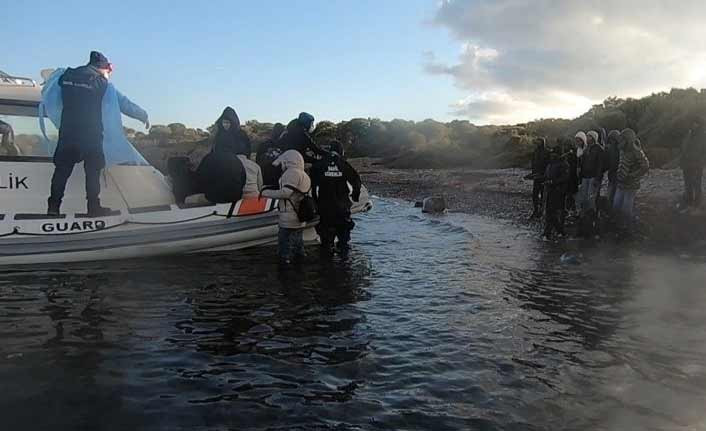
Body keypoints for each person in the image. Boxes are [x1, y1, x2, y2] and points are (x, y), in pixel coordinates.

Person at [47, 51, 149, 216]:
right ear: (103, 68)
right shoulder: (103, 84)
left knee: (61, 171)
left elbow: (50, 91)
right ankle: (93, 207)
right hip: (91, 135)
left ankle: (53, 207)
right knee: (93, 173)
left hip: (68, 133)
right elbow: (124, 103)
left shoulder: (65, 76)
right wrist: (143, 115)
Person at [260, 150, 312, 265]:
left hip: (289, 216)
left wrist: (265, 193)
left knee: (284, 247)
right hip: (300, 215)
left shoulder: (291, 173)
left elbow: (285, 193)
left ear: (288, 161)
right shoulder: (304, 175)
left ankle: (285, 270)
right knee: (298, 245)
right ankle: (300, 268)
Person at [311, 140, 362, 255]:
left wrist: (316, 203)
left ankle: (326, 268)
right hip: (342, 208)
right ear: (341, 151)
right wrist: (355, 196)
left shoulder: (319, 164)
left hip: (325, 209)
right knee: (344, 242)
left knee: (326, 244)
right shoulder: (343, 163)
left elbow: (313, 187)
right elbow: (356, 181)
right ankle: (344, 268)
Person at [613, 128, 650, 232]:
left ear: (628, 139)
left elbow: (645, 165)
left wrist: (633, 175)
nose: (621, 141)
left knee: (626, 208)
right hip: (621, 183)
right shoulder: (622, 150)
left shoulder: (636, 151)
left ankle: (629, 228)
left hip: (631, 184)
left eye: (623, 139)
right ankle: (620, 225)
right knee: (616, 205)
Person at [543, 145, 569, 239]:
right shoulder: (551, 163)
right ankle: (554, 232)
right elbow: (547, 174)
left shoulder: (564, 164)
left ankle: (551, 232)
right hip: (550, 190)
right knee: (549, 212)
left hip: (558, 191)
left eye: (554, 153)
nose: (552, 154)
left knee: (553, 213)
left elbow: (565, 178)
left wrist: (553, 182)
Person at [680, 117, 705, 209]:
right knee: (688, 183)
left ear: (698, 124)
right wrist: (682, 160)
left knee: (696, 183)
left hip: (696, 164)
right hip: (687, 163)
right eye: (692, 123)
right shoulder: (689, 133)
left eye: (694, 123)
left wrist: (700, 161)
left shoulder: (702, 135)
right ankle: (689, 200)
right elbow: (684, 148)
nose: (692, 125)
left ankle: (697, 202)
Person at [529, 137, 549, 219]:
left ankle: (541, 211)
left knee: (543, 194)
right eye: (537, 142)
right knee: (535, 194)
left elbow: (548, 164)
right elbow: (533, 162)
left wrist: (546, 174)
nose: (537, 143)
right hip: (536, 176)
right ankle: (536, 210)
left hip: (543, 176)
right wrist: (533, 173)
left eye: (539, 142)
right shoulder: (535, 151)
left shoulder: (546, 152)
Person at [605, 130, 621, 208]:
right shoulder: (610, 148)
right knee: (610, 193)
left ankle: (614, 210)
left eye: (613, 139)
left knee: (615, 193)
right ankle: (610, 209)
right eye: (611, 139)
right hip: (611, 174)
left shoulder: (620, 149)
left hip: (617, 174)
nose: (612, 141)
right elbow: (607, 161)